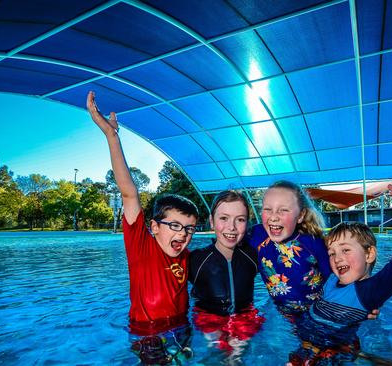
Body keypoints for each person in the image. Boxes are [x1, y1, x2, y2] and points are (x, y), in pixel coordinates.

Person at [87, 91, 196, 364]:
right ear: (154, 227)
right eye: (174, 225)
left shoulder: (186, 256)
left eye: (189, 228)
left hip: (182, 330)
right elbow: (129, 194)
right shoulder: (141, 246)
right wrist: (113, 137)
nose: (182, 233)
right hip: (146, 336)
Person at [288, 178, 392, 365]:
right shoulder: (331, 279)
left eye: (345, 250)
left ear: (369, 254)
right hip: (306, 338)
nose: (337, 257)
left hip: (332, 347)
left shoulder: (368, 291)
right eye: (332, 253)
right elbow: (309, 244)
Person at [188, 190, 264, 361]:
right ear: (211, 222)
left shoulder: (252, 256)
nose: (232, 227)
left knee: (236, 353)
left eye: (240, 219)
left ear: (247, 223)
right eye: (224, 218)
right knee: (219, 352)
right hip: (208, 317)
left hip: (245, 315)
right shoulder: (196, 260)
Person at [250, 180, 332, 313]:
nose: (274, 217)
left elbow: (335, 280)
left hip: (314, 313)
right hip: (280, 313)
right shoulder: (256, 237)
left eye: (283, 210)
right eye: (268, 209)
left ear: (300, 215)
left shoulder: (313, 243)